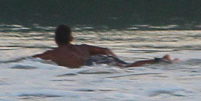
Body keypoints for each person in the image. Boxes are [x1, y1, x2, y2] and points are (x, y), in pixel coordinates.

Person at [34, 24, 172, 68]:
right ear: (71, 38)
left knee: (127, 68)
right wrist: (114, 58)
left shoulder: (53, 53)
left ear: (56, 40)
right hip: (101, 58)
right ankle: (160, 60)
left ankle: (160, 61)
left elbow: (33, 60)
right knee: (127, 66)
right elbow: (106, 50)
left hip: (90, 64)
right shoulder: (83, 47)